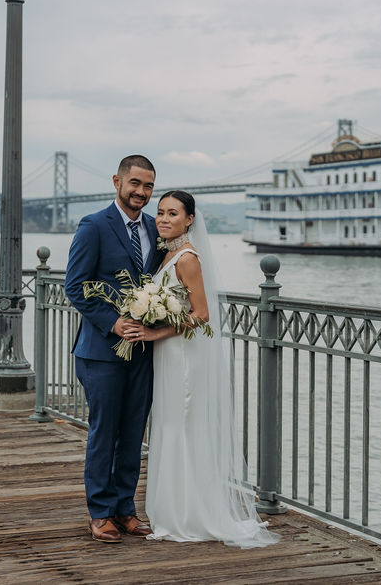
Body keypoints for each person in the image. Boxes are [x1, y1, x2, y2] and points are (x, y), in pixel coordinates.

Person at [124, 190, 278, 549]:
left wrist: (152, 331)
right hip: (167, 353)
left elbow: (202, 314)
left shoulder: (187, 258)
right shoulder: (169, 254)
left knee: (182, 425)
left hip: (181, 355)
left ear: (189, 219)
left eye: (172, 213)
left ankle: (189, 514)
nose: (163, 219)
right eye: (160, 212)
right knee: (170, 425)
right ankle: (171, 510)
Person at [64, 155, 160, 544]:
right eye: (135, 183)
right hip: (101, 351)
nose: (141, 192)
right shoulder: (93, 226)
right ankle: (100, 512)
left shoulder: (157, 228)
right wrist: (112, 322)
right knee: (105, 432)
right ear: (117, 181)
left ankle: (125, 509)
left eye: (149, 186)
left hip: (142, 351)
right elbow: (75, 285)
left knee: (134, 431)